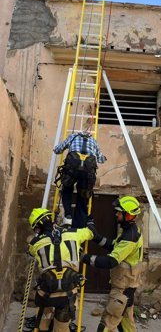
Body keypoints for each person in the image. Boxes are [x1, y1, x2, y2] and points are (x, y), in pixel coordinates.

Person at [27, 207, 96, 332]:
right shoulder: (73, 233)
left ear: (37, 227)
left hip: (46, 293)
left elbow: (31, 253)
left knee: (42, 324)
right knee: (62, 328)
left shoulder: (34, 243)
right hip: (67, 294)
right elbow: (91, 233)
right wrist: (90, 222)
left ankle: (44, 325)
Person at [81, 196, 143, 332]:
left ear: (128, 215)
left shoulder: (130, 237)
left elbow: (111, 261)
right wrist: (95, 235)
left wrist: (84, 258)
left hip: (122, 291)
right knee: (127, 326)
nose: (116, 214)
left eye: (119, 212)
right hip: (126, 289)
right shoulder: (128, 231)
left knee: (106, 325)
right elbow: (113, 247)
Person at [54, 130, 107, 228]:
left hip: (71, 170)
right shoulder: (93, 141)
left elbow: (58, 150)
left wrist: (56, 148)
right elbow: (101, 159)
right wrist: (104, 157)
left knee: (67, 189)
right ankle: (79, 227)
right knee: (83, 198)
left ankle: (68, 216)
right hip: (87, 173)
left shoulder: (73, 136)